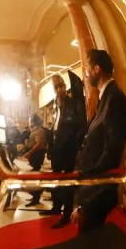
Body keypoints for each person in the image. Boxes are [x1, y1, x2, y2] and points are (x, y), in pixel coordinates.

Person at [70, 49, 126, 231]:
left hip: (96, 191)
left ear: (97, 69)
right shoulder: (105, 97)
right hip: (89, 185)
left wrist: (87, 203)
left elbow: (112, 153)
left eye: (86, 69)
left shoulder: (116, 99)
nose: (85, 74)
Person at [44, 71, 87, 218]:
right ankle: (56, 207)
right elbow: (54, 125)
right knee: (55, 180)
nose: (57, 89)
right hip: (56, 148)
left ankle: (67, 213)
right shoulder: (56, 105)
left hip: (67, 148)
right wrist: (50, 145)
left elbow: (78, 125)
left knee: (67, 183)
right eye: (55, 86)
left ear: (64, 86)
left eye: (59, 85)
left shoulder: (71, 103)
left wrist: (76, 147)